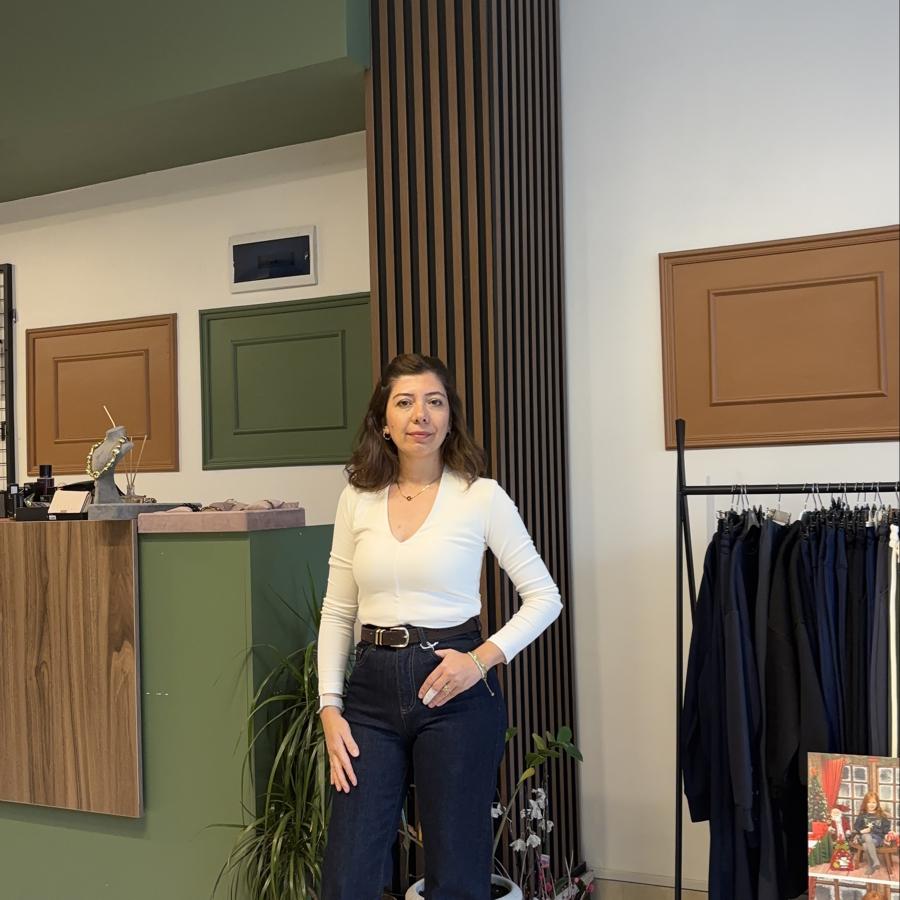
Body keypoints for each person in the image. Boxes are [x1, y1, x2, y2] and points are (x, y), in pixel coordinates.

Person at [317, 353, 562, 900]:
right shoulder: (357, 499)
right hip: (370, 694)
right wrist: (330, 707)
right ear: (383, 420)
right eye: (404, 402)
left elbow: (545, 597)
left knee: (456, 876)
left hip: (454, 685)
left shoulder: (480, 496)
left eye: (434, 402)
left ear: (450, 418)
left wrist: (480, 661)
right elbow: (337, 611)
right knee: (348, 875)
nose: (420, 415)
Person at [851, 791, 891, 875]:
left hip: (877, 839)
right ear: (865, 803)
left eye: (874, 802)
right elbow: (856, 826)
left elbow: (886, 829)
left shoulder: (881, 815)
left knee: (866, 845)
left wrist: (886, 835)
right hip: (864, 836)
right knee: (867, 836)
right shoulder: (863, 815)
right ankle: (876, 860)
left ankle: (871, 866)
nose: (871, 804)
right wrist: (862, 831)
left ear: (877, 803)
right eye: (869, 802)